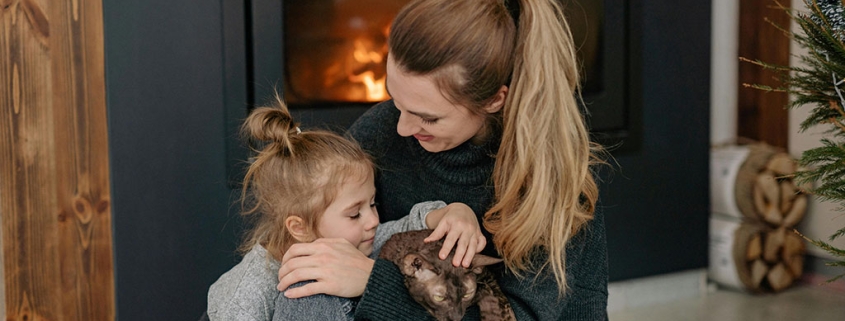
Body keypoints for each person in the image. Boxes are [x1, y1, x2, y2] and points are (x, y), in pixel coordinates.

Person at [277, 0, 609, 320]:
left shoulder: (551, 179)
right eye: (395, 101)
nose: (402, 127)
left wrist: (374, 282)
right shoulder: (380, 132)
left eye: (428, 118)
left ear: (495, 100)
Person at [206, 96, 486, 321]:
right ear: (299, 227)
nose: (373, 220)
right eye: (355, 213)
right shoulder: (250, 288)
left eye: (373, 204)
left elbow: (409, 225)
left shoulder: (362, 239)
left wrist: (452, 212)